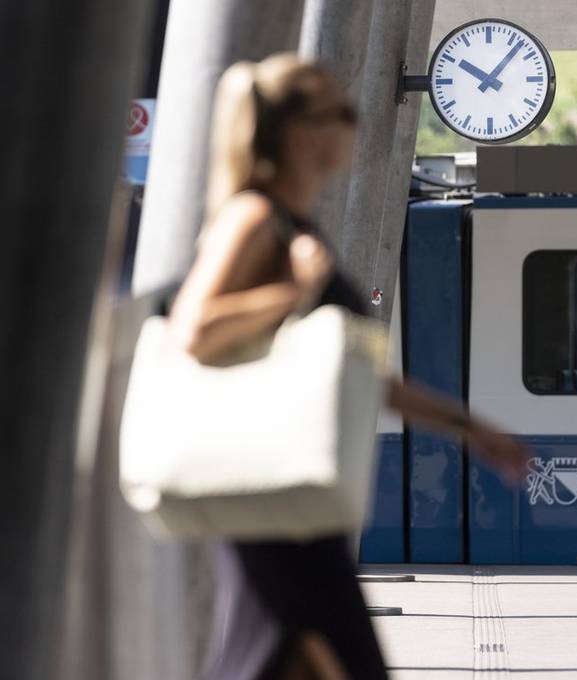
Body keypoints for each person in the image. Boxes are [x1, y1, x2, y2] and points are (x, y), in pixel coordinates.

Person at [168, 53, 526, 680]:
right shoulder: (256, 218)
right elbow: (194, 329)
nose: (355, 129)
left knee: (273, 658)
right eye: (344, 114)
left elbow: (346, 366)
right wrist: (295, 289)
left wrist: (467, 426)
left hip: (292, 495)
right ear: (303, 132)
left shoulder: (296, 224)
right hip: (269, 492)